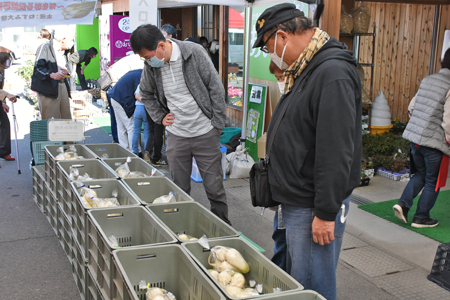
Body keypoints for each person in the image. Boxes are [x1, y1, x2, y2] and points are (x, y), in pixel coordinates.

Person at [252, 4, 361, 299]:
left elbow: (335, 149)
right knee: (292, 277)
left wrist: (325, 213)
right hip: (293, 198)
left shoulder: (331, 72)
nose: (268, 54)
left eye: (266, 46)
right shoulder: (305, 67)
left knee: (312, 281)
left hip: (312, 204)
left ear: (282, 36)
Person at [130, 24, 231, 225]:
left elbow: (216, 88)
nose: (147, 61)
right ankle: (183, 231)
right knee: (179, 189)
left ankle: (223, 229)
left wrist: (217, 124)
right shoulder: (151, 66)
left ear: (161, 45)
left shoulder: (194, 53)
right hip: (177, 135)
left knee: (215, 188)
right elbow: (145, 94)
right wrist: (160, 116)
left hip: (205, 131)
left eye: (148, 57)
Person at [393, 49, 450, 229]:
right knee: (433, 181)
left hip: (415, 139)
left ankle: (403, 204)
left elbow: (412, 106)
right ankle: (421, 217)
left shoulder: (428, 80)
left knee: (421, 175)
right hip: (435, 143)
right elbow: (448, 120)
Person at [267, 60, 287, 271]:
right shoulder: (285, 98)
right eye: (277, 78)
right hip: (281, 185)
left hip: (291, 189)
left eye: (282, 77)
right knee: (280, 235)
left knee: (284, 238)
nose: (280, 82)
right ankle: (281, 273)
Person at [31, 30, 74, 120]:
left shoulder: (64, 51)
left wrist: (67, 72)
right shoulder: (45, 47)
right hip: (48, 88)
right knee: (51, 120)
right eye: (72, 40)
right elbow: (38, 68)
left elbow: (66, 67)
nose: (72, 43)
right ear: (63, 40)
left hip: (62, 85)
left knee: (65, 118)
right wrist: (51, 75)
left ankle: (64, 134)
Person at [107, 69, 142, 151]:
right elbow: (138, 94)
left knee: (121, 126)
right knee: (131, 126)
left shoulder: (135, 73)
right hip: (122, 100)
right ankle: (134, 150)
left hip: (114, 97)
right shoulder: (141, 76)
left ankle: (124, 149)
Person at [0, 52, 18, 162]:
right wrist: (7, 94)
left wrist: (3, 102)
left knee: (5, 124)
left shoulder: (2, 71)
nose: (8, 63)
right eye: (6, 61)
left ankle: (4, 152)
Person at [132, 84, 150, 156]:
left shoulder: (140, 85)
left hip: (137, 109)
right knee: (147, 133)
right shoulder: (150, 85)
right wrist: (147, 102)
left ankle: (135, 151)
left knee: (136, 131)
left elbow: (136, 96)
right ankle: (146, 153)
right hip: (146, 109)